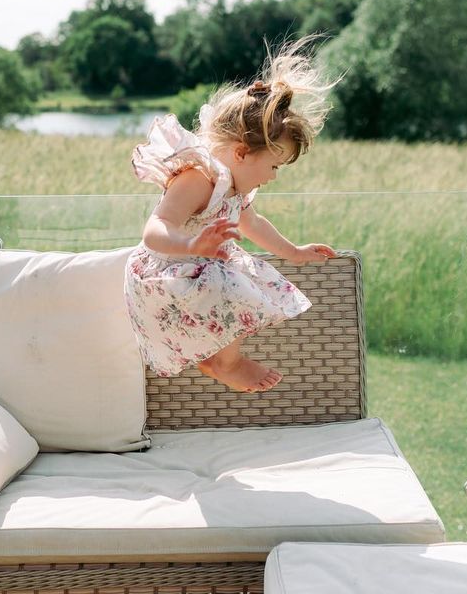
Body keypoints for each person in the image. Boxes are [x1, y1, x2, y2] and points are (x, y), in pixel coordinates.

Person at [124, 39, 337, 393]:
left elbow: (252, 223)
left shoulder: (235, 190)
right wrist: (193, 243)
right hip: (161, 278)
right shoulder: (198, 179)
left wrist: (294, 252)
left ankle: (213, 358)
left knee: (241, 273)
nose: (272, 176)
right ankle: (227, 363)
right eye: (272, 165)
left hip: (196, 272)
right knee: (228, 277)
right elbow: (154, 231)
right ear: (240, 153)